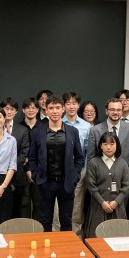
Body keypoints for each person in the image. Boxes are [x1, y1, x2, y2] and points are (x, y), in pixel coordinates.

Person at [28, 95, 84, 232]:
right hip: (45, 183)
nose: (54, 111)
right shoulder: (37, 132)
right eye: (51, 108)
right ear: (46, 110)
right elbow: (32, 158)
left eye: (58, 108)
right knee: (45, 222)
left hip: (66, 183)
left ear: (63, 109)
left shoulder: (72, 131)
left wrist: (75, 176)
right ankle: (47, 252)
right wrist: (35, 176)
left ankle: (65, 251)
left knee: (66, 222)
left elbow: (79, 158)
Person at [87, 97, 129, 225]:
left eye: (118, 110)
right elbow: (91, 157)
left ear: (122, 111)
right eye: (112, 109)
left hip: (123, 183)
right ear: (106, 111)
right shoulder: (95, 130)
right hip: (100, 185)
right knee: (98, 222)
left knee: (119, 220)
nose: (115, 112)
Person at [84, 132, 129, 238]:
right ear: (100, 145)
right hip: (98, 206)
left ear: (117, 145)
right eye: (105, 144)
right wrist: (102, 202)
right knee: (97, 237)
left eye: (112, 144)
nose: (108, 147)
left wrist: (116, 202)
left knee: (118, 236)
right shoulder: (93, 163)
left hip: (117, 207)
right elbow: (91, 186)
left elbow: (126, 186)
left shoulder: (122, 164)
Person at [61, 92, 91, 236]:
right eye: (68, 103)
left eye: (74, 103)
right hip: (59, 172)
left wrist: (82, 172)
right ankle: (57, 241)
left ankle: (76, 242)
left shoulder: (86, 126)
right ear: (63, 106)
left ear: (78, 105)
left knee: (77, 209)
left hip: (79, 171)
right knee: (57, 210)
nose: (71, 106)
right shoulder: (57, 123)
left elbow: (87, 151)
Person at [0, 98, 30, 219]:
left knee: (17, 209)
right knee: (1, 210)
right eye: (6, 108)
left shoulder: (22, 130)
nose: (9, 111)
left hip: (18, 176)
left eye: (12, 109)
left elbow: (24, 153)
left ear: (16, 112)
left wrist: (10, 166)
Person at [19, 97, 40, 220]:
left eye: (33, 107)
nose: (31, 110)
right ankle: (25, 234)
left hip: (39, 171)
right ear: (23, 110)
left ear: (38, 109)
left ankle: (38, 233)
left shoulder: (44, 126)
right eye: (28, 107)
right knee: (24, 203)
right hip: (22, 170)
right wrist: (27, 169)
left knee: (39, 203)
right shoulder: (18, 128)